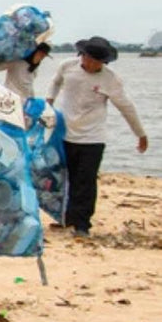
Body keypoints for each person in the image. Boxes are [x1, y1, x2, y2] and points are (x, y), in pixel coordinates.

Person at [46, 37, 149, 237]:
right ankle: (66, 218)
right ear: (82, 55)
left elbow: (126, 107)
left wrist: (140, 134)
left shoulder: (110, 79)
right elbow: (55, 82)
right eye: (91, 60)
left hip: (92, 138)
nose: (94, 65)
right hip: (65, 133)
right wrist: (49, 101)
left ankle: (82, 225)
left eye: (99, 62)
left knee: (86, 181)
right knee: (66, 178)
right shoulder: (67, 66)